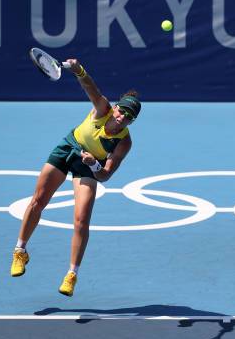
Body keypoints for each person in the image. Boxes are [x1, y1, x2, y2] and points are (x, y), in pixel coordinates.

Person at [10, 59, 141, 297]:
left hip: (88, 166)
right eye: (122, 110)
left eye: (129, 116)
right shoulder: (102, 108)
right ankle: (20, 250)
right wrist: (78, 69)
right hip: (67, 148)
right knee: (38, 201)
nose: (122, 117)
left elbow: (106, 175)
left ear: (132, 121)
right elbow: (91, 88)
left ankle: (71, 274)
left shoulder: (124, 142)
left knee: (81, 221)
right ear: (116, 107)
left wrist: (94, 165)